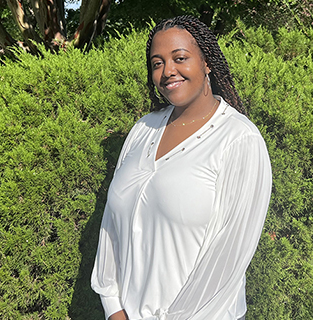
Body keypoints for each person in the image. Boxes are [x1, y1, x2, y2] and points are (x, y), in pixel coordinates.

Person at [91, 15, 272, 320]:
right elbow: (112, 221)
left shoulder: (239, 139)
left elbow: (228, 255)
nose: (167, 71)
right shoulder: (143, 130)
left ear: (207, 63)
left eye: (180, 58)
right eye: (157, 63)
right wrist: (113, 306)